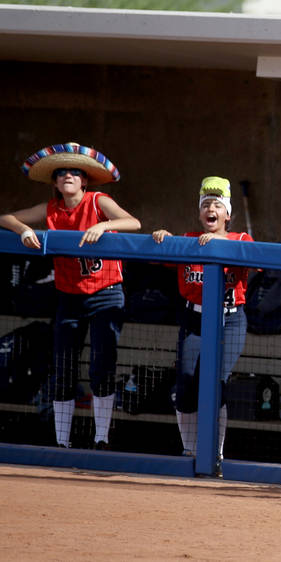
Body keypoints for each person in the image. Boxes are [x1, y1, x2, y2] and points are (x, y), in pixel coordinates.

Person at [0, 142, 141, 449]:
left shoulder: (97, 200)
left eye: (74, 172)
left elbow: (133, 222)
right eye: (61, 173)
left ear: (84, 179)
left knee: (102, 365)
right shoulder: (51, 208)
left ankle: (101, 438)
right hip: (70, 297)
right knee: (63, 365)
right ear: (54, 182)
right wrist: (24, 230)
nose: (67, 176)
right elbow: (6, 217)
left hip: (106, 293)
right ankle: (61, 443)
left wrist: (105, 227)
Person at [152, 177, 253, 463]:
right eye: (206, 204)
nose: (211, 209)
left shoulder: (240, 239)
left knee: (215, 380)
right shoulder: (189, 240)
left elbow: (255, 256)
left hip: (230, 319)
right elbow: (154, 255)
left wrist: (218, 241)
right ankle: (190, 450)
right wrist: (161, 237)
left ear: (227, 214)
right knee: (185, 384)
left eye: (217, 205)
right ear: (199, 213)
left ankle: (215, 454)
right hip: (194, 318)